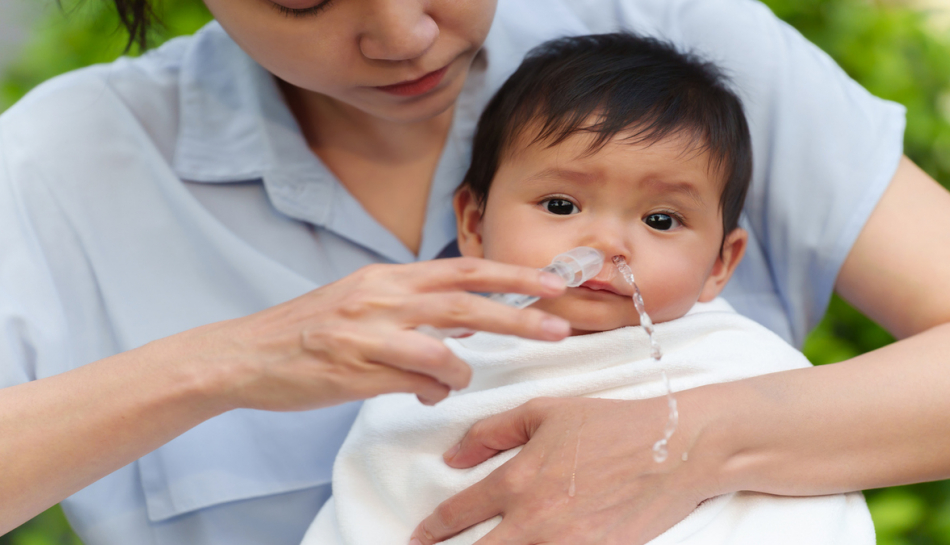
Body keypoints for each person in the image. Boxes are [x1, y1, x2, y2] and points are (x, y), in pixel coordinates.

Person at [0, 0, 948, 544]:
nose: (402, 33)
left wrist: (687, 441)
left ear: (720, 261)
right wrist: (223, 366)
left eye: (661, 219)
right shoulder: (57, 167)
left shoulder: (668, 41)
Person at [301, 33, 875, 545]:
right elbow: (371, 503)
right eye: (560, 205)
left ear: (721, 265)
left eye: (661, 220)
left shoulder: (746, 368)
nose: (606, 243)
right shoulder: (431, 369)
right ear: (474, 225)